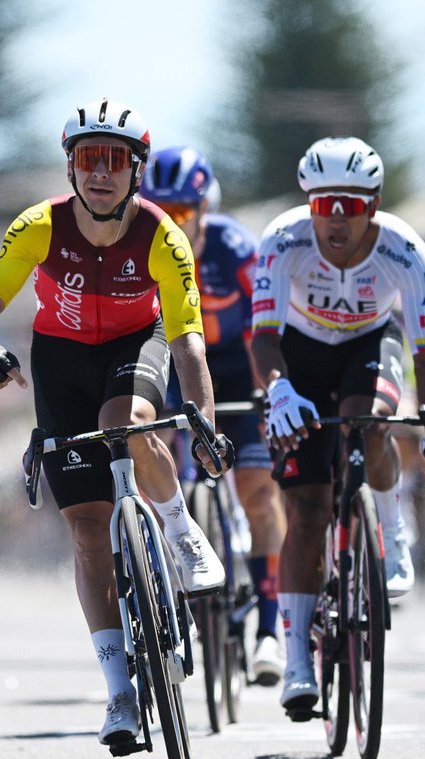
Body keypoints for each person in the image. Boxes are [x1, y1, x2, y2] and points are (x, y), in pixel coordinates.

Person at [0, 99, 230, 749]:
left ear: (136, 171)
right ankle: (120, 695)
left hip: (137, 345)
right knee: (86, 534)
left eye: (114, 160)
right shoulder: (39, 226)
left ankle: (179, 530)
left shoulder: (161, 235)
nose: (100, 172)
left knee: (125, 420)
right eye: (88, 159)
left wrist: (204, 422)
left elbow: (189, 340)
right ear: (71, 168)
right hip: (60, 361)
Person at [249, 136, 425, 716]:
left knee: (370, 423)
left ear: (375, 205)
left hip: (370, 345)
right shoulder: (283, 240)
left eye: (351, 205)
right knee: (308, 511)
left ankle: (390, 529)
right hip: (299, 355)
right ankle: (297, 659)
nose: (337, 219)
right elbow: (263, 338)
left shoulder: (404, 249)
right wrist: (280, 390)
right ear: (309, 205)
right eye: (325, 205)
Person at [138, 146, 288, 685]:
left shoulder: (236, 250)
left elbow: (264, 329)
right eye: (160, 211)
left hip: (237, 366)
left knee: (258, 490)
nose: (172, 223)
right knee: (154, 466)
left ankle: (269, 627)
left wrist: (269, 396)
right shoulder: (142, 250)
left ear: (206, 209)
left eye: (182, 212)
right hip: (176, 364)